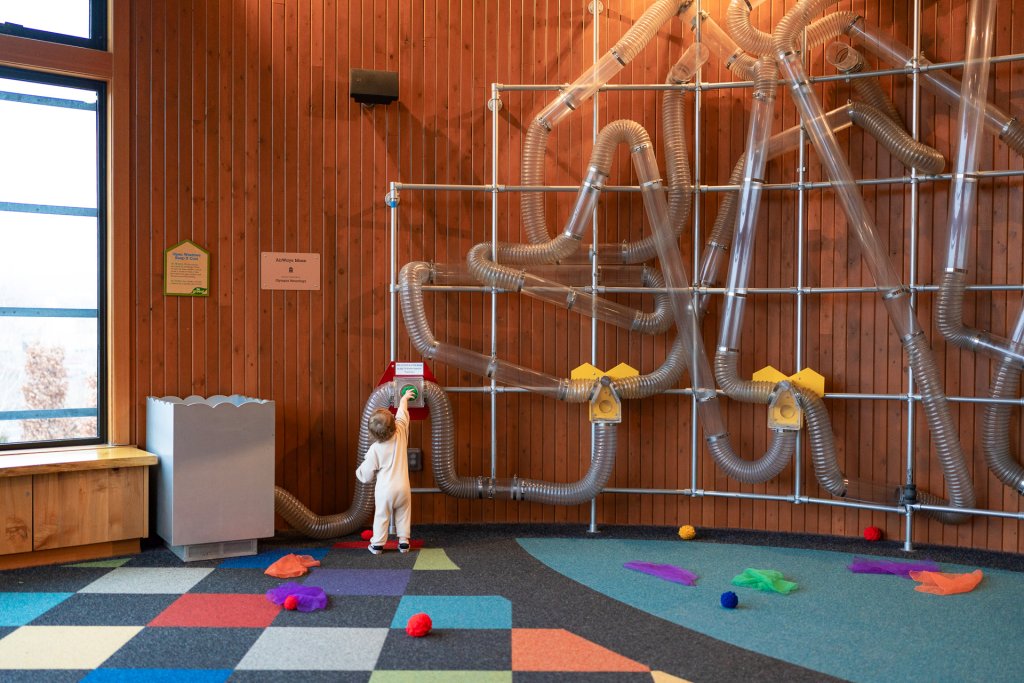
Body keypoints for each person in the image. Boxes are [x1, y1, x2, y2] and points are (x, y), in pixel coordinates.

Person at [356, 385, 415, 554]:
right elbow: (402, 415)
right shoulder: (401, 434)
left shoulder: (375, 449)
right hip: (403, 488)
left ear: (373, 433)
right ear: (393, 426)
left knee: (382, 516)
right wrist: (404, 399)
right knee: (403, 514)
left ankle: (377, 545)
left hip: (384, 491)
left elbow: (366, 475)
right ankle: (403, 542)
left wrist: (359, 473)